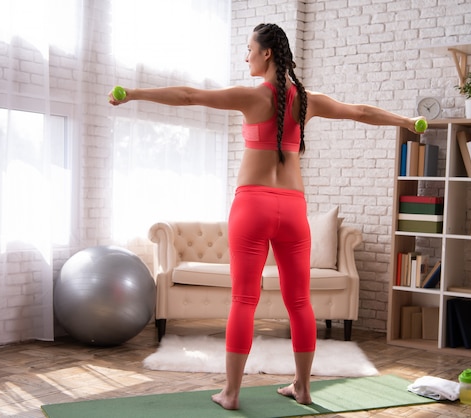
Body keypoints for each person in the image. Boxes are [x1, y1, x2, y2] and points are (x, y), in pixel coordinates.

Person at [110, 23, 424, 410]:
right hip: (293, 209)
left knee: (244, 300)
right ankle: (304, 388)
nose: (246, 57)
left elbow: (190, 95)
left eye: (249, 49)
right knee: (300, 302)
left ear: (267, 54)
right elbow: (360, 112)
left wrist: (134, 94)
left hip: (252, 206)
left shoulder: (251, 97)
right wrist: (405, 121)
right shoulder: (307, 101)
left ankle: (231, 393)